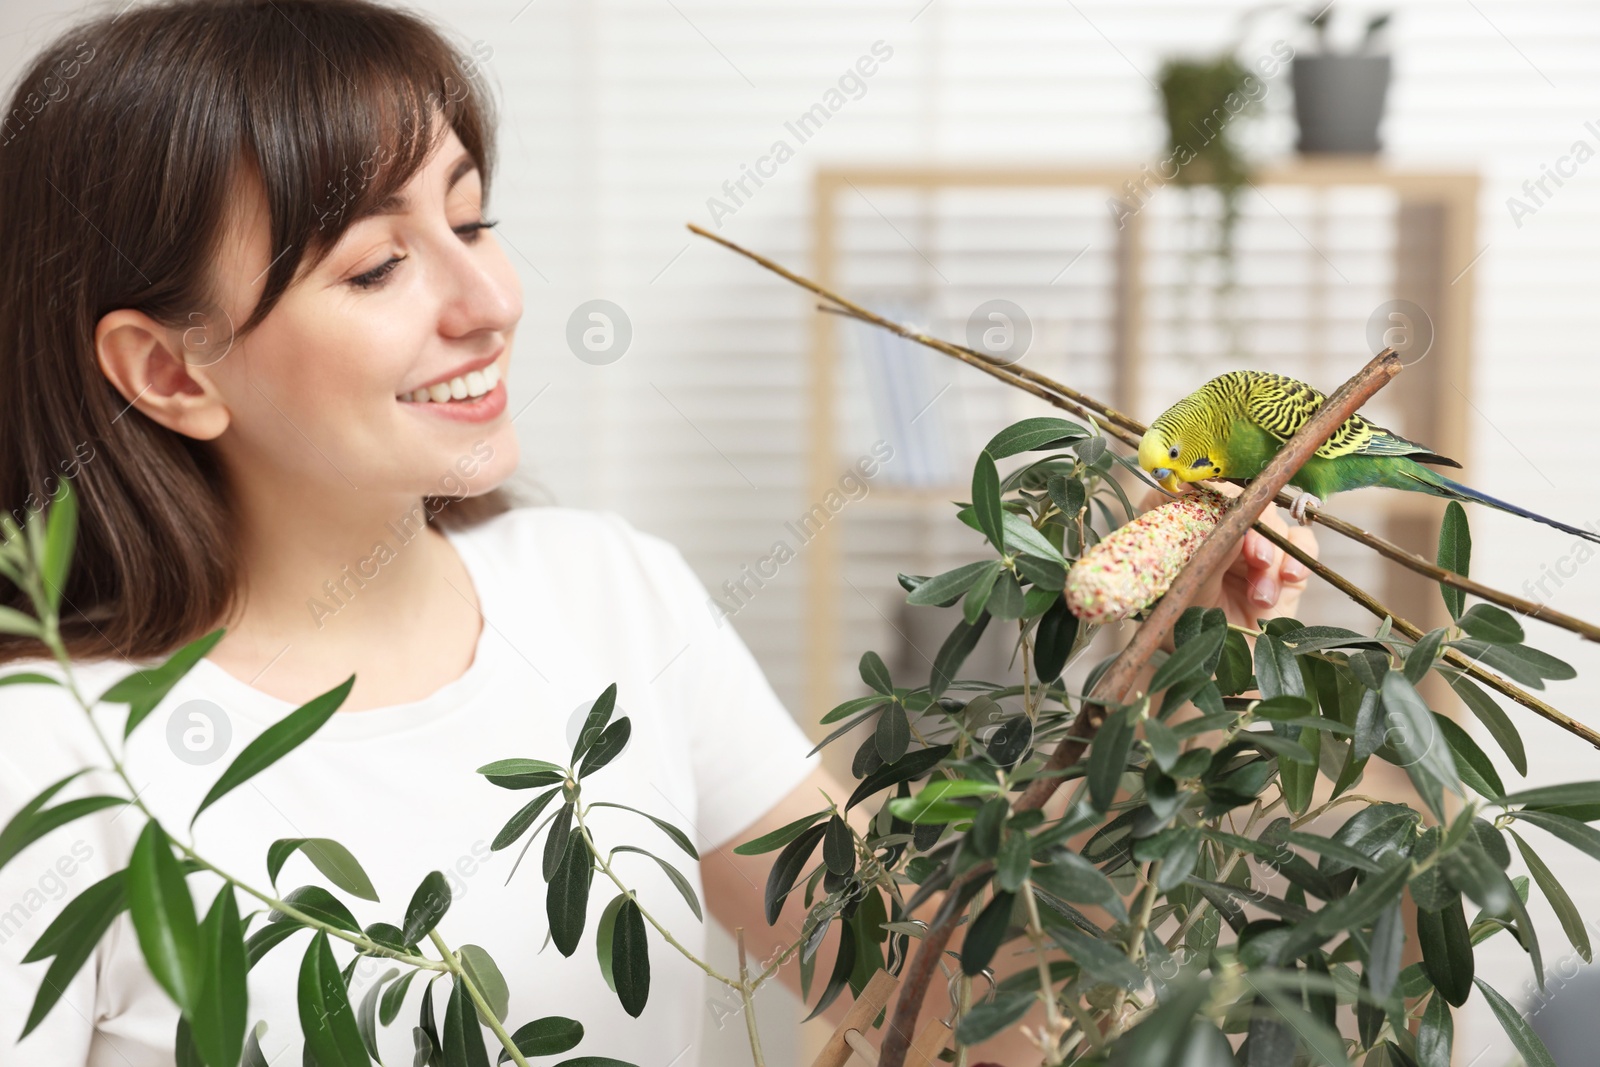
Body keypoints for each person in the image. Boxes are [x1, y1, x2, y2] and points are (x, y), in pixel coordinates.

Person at [0, 1, 1318, 1064]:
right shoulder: (48, 756)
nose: (488, 300)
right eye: (376, 265)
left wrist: (1173, 684)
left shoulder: (604, 593)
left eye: (471, 219)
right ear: (171, 371)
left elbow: (939, 1010)